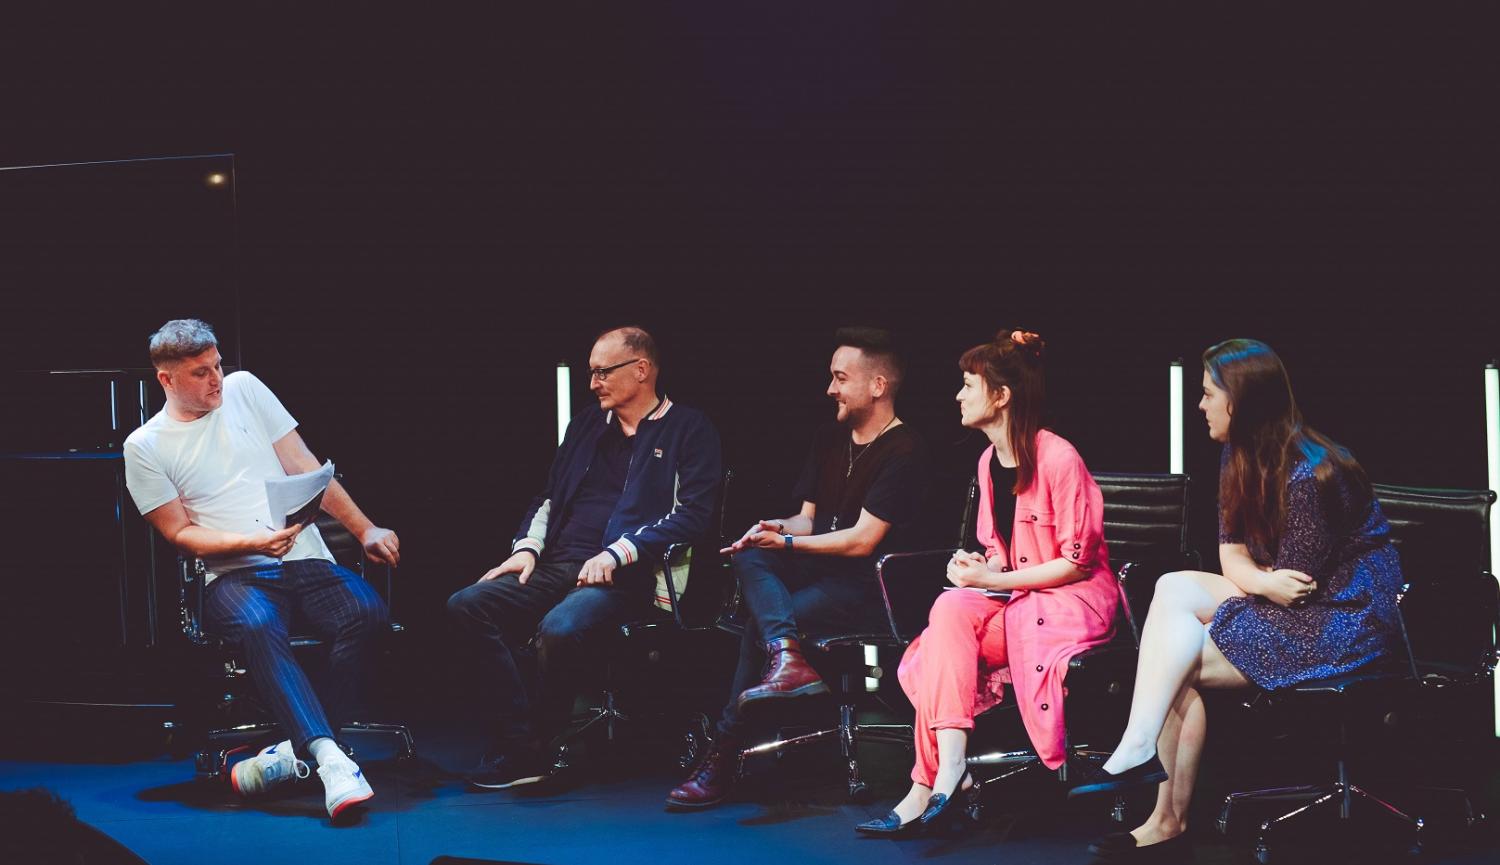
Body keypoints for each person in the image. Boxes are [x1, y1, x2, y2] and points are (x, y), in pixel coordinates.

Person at [1069, 338, 1404, 861]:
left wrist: (1268, 582)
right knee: (1172, 613)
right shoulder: (1239, 453)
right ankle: (1155, 794)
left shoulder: (1311, 473)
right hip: (1286, 601)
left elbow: (1299, 585)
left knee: (1172, 643)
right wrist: (1264, 581)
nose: (1199, 406)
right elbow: (1232, 556)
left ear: (1240, 400)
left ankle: (1153, 785)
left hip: (1341, 621)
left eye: (1207, 395)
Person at [124, 319, 400, 820]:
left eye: (218, 365)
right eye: (201, 372)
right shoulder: (144, 445)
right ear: (167, 380)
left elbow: (304, 466)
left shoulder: (245, 389)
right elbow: (179, 533)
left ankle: (299, 753)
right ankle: (331, 760)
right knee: (258, 623)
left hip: (303, 559)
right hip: (232, 575)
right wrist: (251, 541)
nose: (216, 380)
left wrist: (365, 530)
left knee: (366, 612)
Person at [856, 329, 1119, 836]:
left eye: (968, 385)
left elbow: (1076, 563)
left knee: (937, 646)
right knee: (951, 608)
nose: (958, 395)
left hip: (1070, 601)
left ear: (1000, 397)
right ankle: (952, 764)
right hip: (1018, 594)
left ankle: (924, 784)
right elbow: (1002, 549)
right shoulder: (985, 462)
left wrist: (997, 577)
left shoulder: (1058, 457)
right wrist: (976, 569)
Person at [447, 326, 722, 789]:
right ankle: (521, 741)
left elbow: (694, 515)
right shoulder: (587, 426)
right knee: (467, 605)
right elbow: (550, 496)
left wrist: (618, 553)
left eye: (601, 372)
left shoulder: (689, 429)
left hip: (628, 577)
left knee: (560, 628)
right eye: (590, 373)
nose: (592, 383)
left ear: (641, 370)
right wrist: (527, 549)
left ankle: (533, 747)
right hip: (557, 563)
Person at [666, 326, 929, 809]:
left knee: (755, 625)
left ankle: (723, 756)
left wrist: (785, 543)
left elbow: (860, 542)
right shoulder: (830, 436)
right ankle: (787, 655)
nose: (830, 388)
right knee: (748, 550)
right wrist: (771, 529)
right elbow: (806, 520)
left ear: (878, 385)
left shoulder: (905, 450)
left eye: (840, 378)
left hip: (872, 589)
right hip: (821, 576)